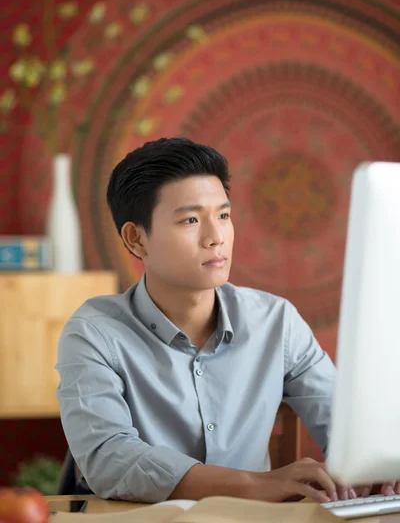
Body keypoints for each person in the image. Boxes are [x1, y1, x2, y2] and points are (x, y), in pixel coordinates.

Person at [56, 137, 399, 504]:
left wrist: (379, 469)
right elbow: (108, 458)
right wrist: (255, 484)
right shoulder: (94, 331)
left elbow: (347, 424)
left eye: (223, 215)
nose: (216, 237)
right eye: (190, 220)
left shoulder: (275, 321)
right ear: (136, 239)